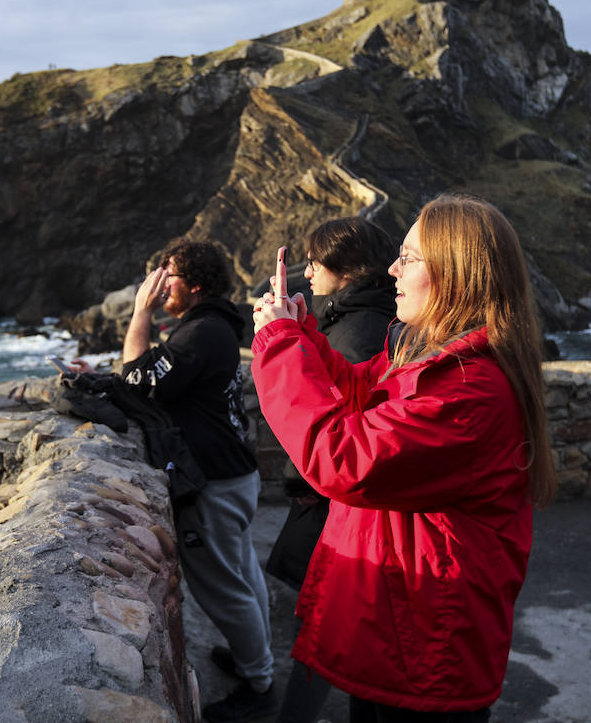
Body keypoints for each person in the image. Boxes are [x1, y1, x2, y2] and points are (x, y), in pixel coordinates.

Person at [251, 194, 555, 721]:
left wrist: (277, 346)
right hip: (403, 635)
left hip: (425, 649)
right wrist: (300, 334)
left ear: (455, 275)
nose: (392, 269)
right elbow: (356, 392)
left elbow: (344, 457)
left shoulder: (466, 391)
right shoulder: (431, 362)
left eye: (409, 258)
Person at [80, 239, 275, 723]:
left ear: (194, 284)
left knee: (224, 587)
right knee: (244, 572)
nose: (162, 285)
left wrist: (140, 313)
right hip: (237, 471)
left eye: (169, 276)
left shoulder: (202, 331)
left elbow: (136, 375)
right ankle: (256, 658)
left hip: (215, 481)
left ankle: (261, 682)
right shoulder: (216, 325)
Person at [261, 217, 397, 723]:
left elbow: (344, 440)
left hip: (337, 503)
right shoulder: (365, 321)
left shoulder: (362, 329)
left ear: (348, 268)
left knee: (334, 630)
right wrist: (296, 332)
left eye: (316, 262)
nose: (308, 271)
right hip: (340, 503)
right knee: (336, 631)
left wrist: (279, 340)